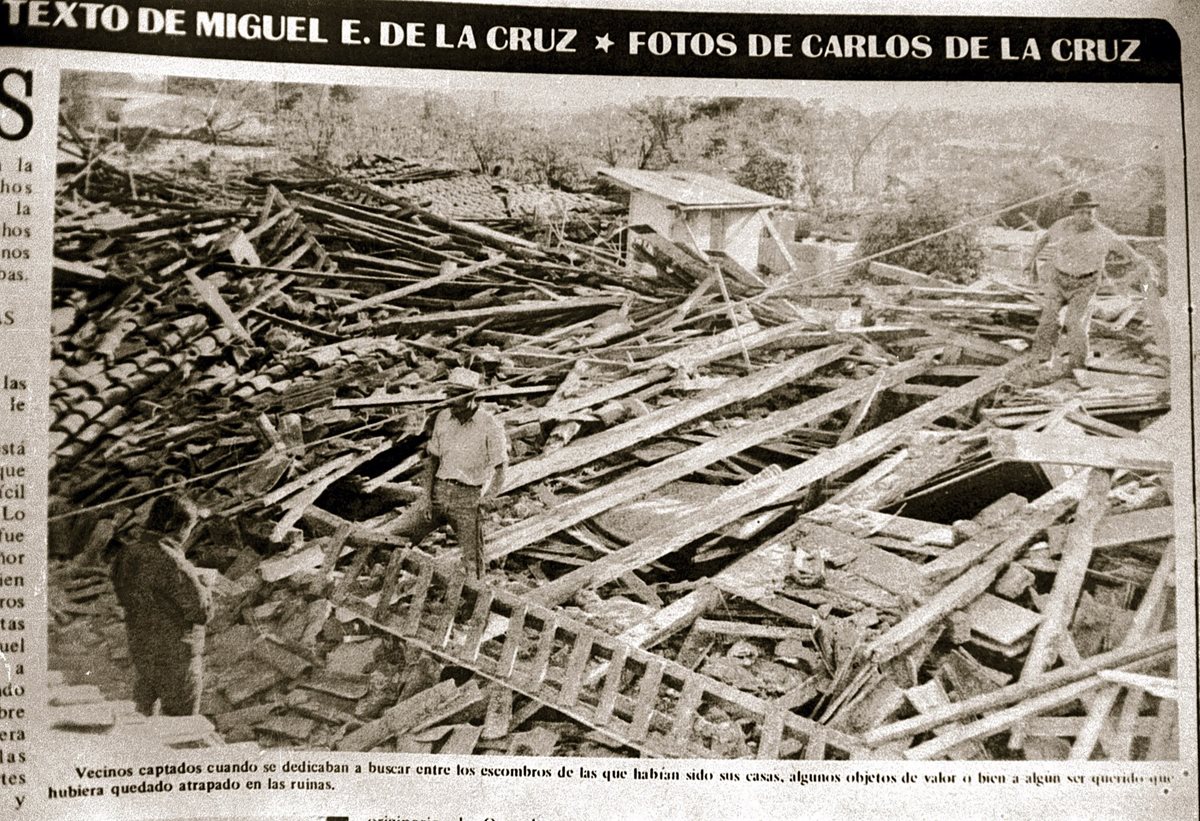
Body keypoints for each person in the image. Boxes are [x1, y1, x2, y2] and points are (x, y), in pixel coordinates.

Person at [1025, 190, 1159, 373]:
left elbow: (1132, 254)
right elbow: (1044, 239)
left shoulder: (1103, 235)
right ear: (1074, 212)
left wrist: (1142, 267)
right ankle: (1041, 361)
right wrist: (1030, 260)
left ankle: (1076, 365)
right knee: (1049, 319)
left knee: (1075, 322)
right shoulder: (1062, 225)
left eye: (1090, 213)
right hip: (1059, 280)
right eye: (1082, 212)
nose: (1086, 217)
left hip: (1085, 284)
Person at [111, 494, 212, 716]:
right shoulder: (173, 561)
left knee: (141, 717)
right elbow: (201, 612)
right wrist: (204, 586)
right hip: (177, 656)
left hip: (141, 648)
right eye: (189, 528)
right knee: (182, 724)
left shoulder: (127, 553)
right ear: (179, 527)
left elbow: (123, 593)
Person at [407, 367, 509, 580]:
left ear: (471, 397)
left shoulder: (490, 425)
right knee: (397, 536)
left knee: (473, 564)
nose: (449, 401)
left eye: (455, 395)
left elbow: (501, 468)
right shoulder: (443, 417)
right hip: (439, 492)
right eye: (448, 394)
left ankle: (474, 598)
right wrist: (426, 497)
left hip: (468, 498)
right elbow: (433, 460)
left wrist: (488, 498)